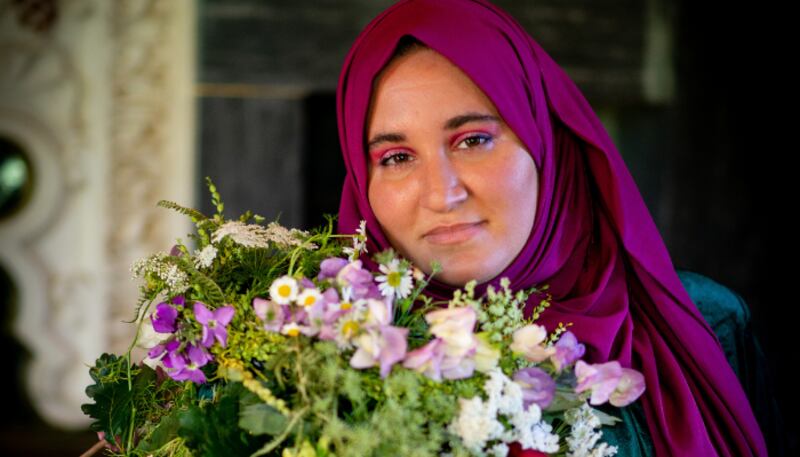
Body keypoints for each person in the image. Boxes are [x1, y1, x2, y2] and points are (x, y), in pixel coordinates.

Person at [334, 0, 770, 455]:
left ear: (545, 141)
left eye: (474, 140)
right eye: (397, 158)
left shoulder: (705, 326)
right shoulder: (310, 363)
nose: (442, 195)